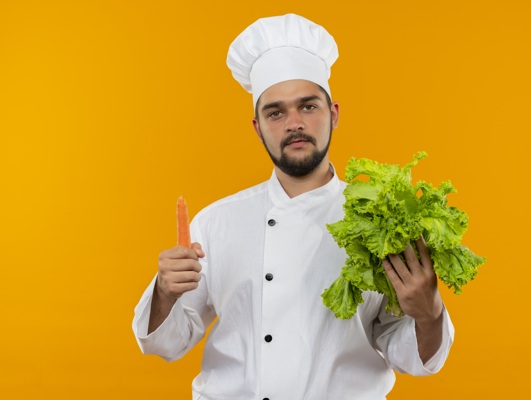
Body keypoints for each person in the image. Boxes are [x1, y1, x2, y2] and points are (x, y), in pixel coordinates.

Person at [133, 14, 454, 400]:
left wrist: (428, 312)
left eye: (308, 106)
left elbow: (406, 354)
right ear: (258, 127)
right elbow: (168, 344)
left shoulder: (380, 223)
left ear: (333, 113)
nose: (294, 124)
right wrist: (165, 294)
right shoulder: (216, 223)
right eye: (276, 112)